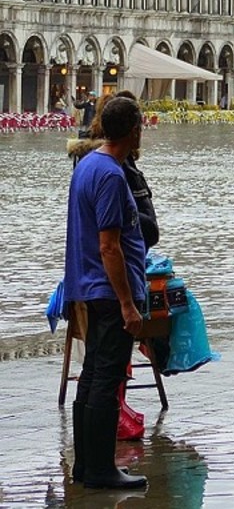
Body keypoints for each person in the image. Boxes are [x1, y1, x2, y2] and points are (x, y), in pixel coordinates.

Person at [63, 95, 147, 489]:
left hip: (88, 286)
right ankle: (100, 469)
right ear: (134, 131)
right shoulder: (112, 175)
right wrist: (128, 303)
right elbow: (109, 245)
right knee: (106, 378)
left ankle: (84, 465)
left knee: (93, 373)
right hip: (109, 292)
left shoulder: (87, 165)